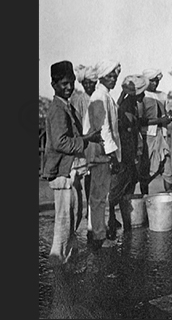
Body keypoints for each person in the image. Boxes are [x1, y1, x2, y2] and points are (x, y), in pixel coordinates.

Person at [43, 60, 101, 265]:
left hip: (71, 169)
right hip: (63, 171)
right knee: (64, 220)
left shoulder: (66, 106)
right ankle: (58, 263)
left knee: (73, 215)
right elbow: (60, 142)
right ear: (54, 85)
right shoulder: (58, 109)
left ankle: (69, 257)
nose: (69, 87)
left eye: (71, 83)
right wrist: (86, 140)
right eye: (64, 84)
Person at [83, 60, 122, 250]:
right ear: (101, 77)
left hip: (102, 150)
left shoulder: (105, 95)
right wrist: (112, 153)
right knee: (98, 194)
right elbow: (103, 127)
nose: (114, 79)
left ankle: (95, 230)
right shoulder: (99, 96)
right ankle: (97, 236)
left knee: (98, 194)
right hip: (100, 151)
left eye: (115, 75)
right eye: (110, 76)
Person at [106, 75, 149, 239]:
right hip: (124, 153)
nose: (143, 96)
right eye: (141, 93)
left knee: (128, 187)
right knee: (118, 188)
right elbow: (125, 131)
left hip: (129, 153)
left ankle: (126, 222)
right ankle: (112, 220)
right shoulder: (125, 106)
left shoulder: (130, 105)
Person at [138, 69, 172, 194]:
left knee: (167, 167)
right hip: (147, 136)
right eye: (152, 81)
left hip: (162, 136)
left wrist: (169, 117)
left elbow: (167, 116)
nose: (155, 84)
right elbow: (140, 121)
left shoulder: (162, 95)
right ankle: (145, 199)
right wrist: (159, 120)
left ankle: (169, 197)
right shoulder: (141, 95)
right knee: (147, 169)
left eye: (156, 81)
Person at [70, 64, 98, 220]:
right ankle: (87, 208)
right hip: (86, 141)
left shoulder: (98, 97)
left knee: (97, 176)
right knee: (87, 175)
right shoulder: (79, 100)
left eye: (91, 82)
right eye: (85, 82)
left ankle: (94, 210)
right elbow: (76, 122)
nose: (88, 85)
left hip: (97, 142)